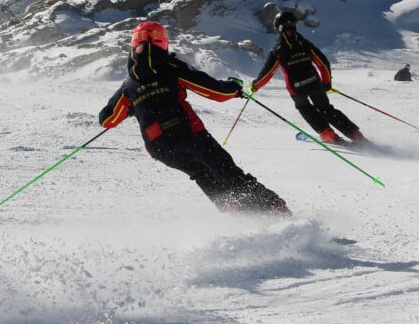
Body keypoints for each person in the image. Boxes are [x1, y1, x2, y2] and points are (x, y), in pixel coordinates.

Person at [99, 21, 291, 215]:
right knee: (227, 172)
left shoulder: (128, 85)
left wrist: (132, 107)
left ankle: (235, 212)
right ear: (163, 42)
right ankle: (275, 210)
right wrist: (233, 88)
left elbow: (107, 120)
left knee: (201, 173)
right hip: (189, 134)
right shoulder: (172, 67)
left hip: (160, 147)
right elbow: (215, 92)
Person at [250, 11, 367, 145]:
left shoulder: (278, 49)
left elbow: (267, 72)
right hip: (314, 83)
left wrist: (255, 86)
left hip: (296, 88)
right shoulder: (304, 44)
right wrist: (326, 83)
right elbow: (323, 63)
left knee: (305, 108)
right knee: (326, 109)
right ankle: (355, 135)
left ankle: (328, 134)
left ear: (278, 28)